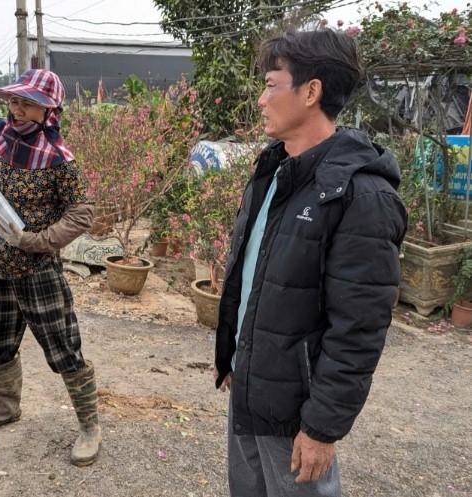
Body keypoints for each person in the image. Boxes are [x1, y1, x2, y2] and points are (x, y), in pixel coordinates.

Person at [212, 29, 407, 496]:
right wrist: (236, 356)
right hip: (251, 387)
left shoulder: (362, 195)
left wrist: (322, 427)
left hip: (298, 413)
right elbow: (254, 277)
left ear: (311, 91)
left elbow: (359, 327)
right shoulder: (275, 171)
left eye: (270, 83)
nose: (261, 99)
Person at [0, 69, 100, 466]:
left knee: (64, 349)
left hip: (38, 269)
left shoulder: (58, 160)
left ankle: (89, 426)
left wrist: (38, 240)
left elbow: (81, 214)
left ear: (49, 109)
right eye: (14, 100)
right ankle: (5, 407)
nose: (16, 109)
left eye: (27, 103)